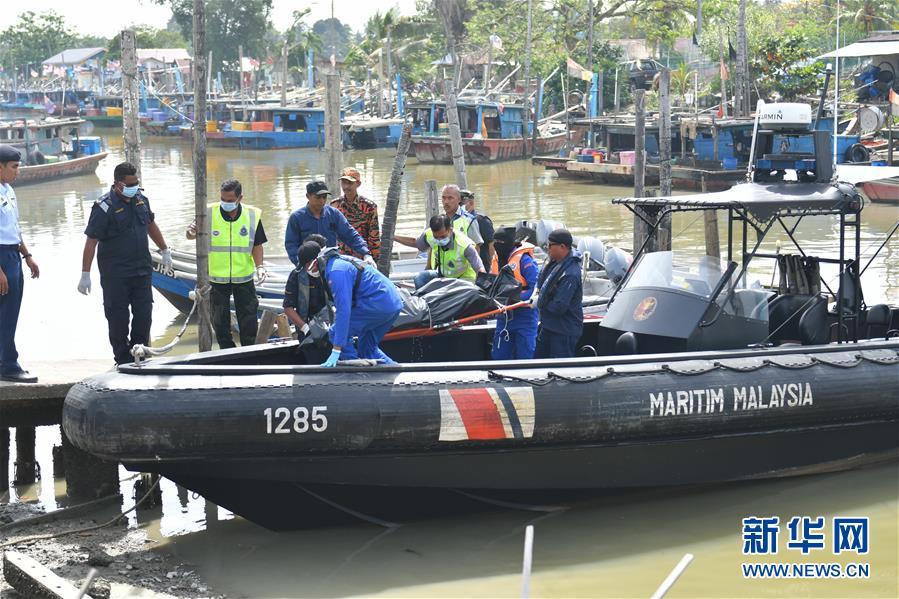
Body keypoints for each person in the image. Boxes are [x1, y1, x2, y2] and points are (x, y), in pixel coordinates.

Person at [79, 162, 173, 365]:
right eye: (130, 184)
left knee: (144, 314)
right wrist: (85, 274)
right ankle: (122, 359)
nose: (134, 187)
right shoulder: (104, 207)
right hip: (116, 274)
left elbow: (150, 224)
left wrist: (165, 249)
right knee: (118, 318)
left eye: (136, 183)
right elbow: (91, 241)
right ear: (118, 184)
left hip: (141, 270)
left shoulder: (141, 200)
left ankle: (139, 353)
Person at [186, 179, 266, 349]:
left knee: (249, 319)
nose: (225, 203)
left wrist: (260, 267)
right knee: (219, 321)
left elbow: (257, 245)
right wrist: (192, 230)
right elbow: (190, 234)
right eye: (223, 199)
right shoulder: (207, 212)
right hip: (217, 278)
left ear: (240, 198)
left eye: (230, 201)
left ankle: (249, 351)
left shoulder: (252, 215)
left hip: (243, 277)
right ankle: (227, 351)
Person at [298, 240, 403, 367]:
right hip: (392, 302)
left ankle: (355, 374)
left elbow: (344, 311)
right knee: (367, 349)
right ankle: (396, 371)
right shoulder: (338, 261)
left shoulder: (335, 272)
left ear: (312, 263)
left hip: (378, 304)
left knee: (334, 332)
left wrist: (336, 350)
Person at [0, 145, 40, 383]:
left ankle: (3, 360)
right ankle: (9, 365)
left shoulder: (9, 190)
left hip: (13, 254)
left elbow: (13, 228)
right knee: (5, 313)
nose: (17, 172)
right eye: (14, 167)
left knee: (9, 312)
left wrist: (27, 255)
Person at [284, 180, 374, 267]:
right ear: (308, 196)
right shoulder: (296, 218)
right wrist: (300, 264)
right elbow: (291, 245)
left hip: (331, 263)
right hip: (307, 264)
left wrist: (366, 254)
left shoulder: (333, 214)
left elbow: (350, 234)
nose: (322, 201)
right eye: (318, 197)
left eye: (324, 197)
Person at [534, 229, 583, 359]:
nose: (547, 248)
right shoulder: (555, 264)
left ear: (562, 247)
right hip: (548, 326)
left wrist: (541, 302)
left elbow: (559, 307)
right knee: (538, 361)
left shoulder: (570, 273)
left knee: (559, 369)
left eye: (550, 245)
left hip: (564, 330)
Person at [491, 227, 538, 360]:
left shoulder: (524, 260)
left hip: (524, 316)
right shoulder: (496, 259)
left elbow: (535, 288)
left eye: (500, 242)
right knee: (499, 355)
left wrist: (514, 300)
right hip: (503, 317)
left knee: (525, 354)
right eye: (495, 242)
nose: (497, 245)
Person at [405, 215, 485, 289]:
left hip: (464, 280)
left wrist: (481, 288)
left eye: (443, 236)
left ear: (450, 230)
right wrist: (393, 237)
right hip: (444, 276)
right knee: (420, 278)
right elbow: (416, 243)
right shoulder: (429, 235)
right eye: (436, 237)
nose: (439, 240)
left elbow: (480, 269)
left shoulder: (464, 245)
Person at [394, 183, 483, 251]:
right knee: (422, 276)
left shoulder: (469, 220)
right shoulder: (438, 221)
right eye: (443, 198)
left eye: (450, 198)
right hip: (441, 271)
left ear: (459, 199)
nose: (446, 201)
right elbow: (418, 243)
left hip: (463, 272)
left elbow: (476, 248)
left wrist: (476, 274)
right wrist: (393, 236)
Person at [283, 234, 328, 340]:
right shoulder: (296, 276)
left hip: (331, 323)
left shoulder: (331, 271)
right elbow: (288, 307)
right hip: (307, 325)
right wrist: (305, 328)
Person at [331, 167, 380, 262]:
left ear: (358, 184)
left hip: (363, 256)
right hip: (341, 256)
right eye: (343, 183)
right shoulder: (335, 205)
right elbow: (331, 233)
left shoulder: (369, 207)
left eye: (349, 183)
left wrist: (373, 258)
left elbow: (374, 236)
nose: (346, 186)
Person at [461, 189, 495, 271]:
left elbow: (492, 246)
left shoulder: (482, 221)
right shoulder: (456, 220)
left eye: (461, 203)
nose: (459, 206)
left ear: (471, 203)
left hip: (482, 267)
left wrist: (493, 269)